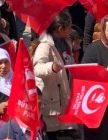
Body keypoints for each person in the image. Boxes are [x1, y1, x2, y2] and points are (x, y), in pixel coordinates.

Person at [32, 11, 76, 139]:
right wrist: (50, 67)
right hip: (51, 97)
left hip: (63, 93)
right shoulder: (45, 46)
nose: (71, 30)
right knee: (52, 132)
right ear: (60, 29)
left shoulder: (66, 43)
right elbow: (36, 68)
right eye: (69, 27)